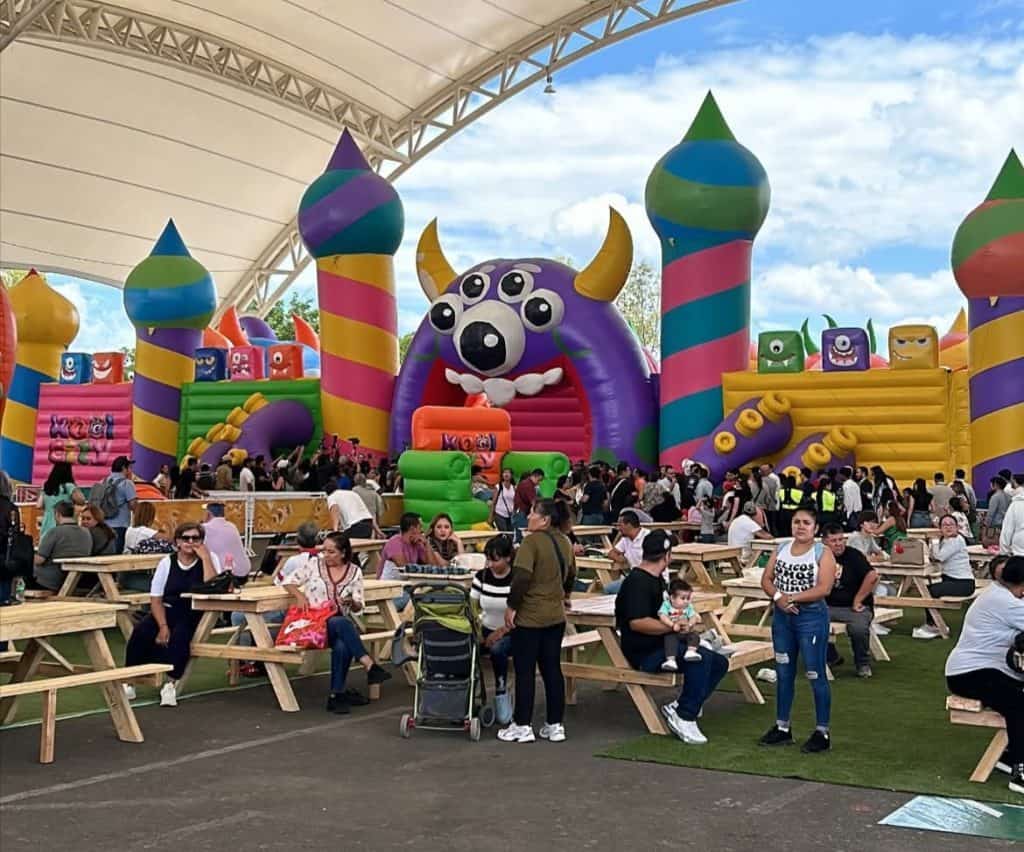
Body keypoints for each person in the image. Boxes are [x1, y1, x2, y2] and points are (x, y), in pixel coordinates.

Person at [615, 530, 730, 744]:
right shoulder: (637, 582)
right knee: (700, 660)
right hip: (645, 652)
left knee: (719, 662)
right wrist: (674, 627)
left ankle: (680, 706)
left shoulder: (657, 580)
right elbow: (637, 622)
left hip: (664, 644)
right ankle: (685, 716)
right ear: (667, 555)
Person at [282, 531, 392, 713]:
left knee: (342, 640)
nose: (326, 555)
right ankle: (369, 665)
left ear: (343, 552)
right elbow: (287, 581)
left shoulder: (355, 572)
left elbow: (359, 606)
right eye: (324, 551)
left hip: (340, 626)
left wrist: (351, 602)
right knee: (339, 624)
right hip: (314, 626)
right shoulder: (314, 565)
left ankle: (336, 695)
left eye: (331, 552)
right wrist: (299, 595)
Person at [759, 506, 837, 753]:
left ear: (815, 528)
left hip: (811, 618)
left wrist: (792, 598)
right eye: (796, 522)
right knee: (783, 673)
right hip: (783, 618)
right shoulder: (781, 549)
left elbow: (824, 588)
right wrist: (780, 598)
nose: (800, 526)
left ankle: (822, 732)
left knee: (815, 674)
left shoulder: (822, 553)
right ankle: (782, 727)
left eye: (806, 522)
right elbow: (766, 580)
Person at [498, 499, 576, 744]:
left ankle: (522, 724)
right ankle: (555, 724)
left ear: (544, 519)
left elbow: (521, 577)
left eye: (532, 512)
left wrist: (512, 606)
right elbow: (572, 574)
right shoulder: (565, 541)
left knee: (525, 671)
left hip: (531, 617)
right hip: (555, 616)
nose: (528, 515)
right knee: (552, 669)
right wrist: (565, 595)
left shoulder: (531, 543)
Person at [945, 556, 1024, 795]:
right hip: (969, 673)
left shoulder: (1001, 593)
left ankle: (1008, 757)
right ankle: (1019, 772)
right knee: (1018, 703)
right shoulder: (1004, 601)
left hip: (986, 669)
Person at [124, 522, 223, 706]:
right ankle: (130, 681)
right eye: (186, 538)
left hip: (193, 611)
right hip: (167, 608)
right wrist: (162, 626)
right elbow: (156, 598)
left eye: (196, 538)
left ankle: (170, 683)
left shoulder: (210, 558)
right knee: (141, 631)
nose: (190, 542)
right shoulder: (167, 562)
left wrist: (206, 558)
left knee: (181, 635)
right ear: (178, 541)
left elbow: (213, 586)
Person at [822, 523, 878, 678]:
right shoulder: (819, 556)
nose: (839, 544)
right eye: (834, 541)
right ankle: (830, 657)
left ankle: (862, 664)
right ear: (825, 542)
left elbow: (872, 576)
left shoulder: (854, 555)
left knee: (858, 629)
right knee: (809, 622)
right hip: (828, 606)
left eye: (841, 539)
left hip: (855, 608)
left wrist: (858, 599)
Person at [470, 535, 515, 724]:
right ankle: (469, 695)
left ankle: (501, 690)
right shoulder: (481, 576)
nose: (490, 564)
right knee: (466, 649)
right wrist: (479, 632)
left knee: (498, 650)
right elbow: (473, 606)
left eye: (495, 560)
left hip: (512, 631)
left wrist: (500, 632)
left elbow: (522, 612)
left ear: (508, 558)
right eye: (488, 559)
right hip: (486, 629)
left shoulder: (517, 579)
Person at [913, 515, 975, 640]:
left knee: (930, 591)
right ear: (940, 528)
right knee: (931, 589)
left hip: (963, 583)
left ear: (957, 527)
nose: (948, 527)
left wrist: (934, 541)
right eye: (944, 525)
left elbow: (939, 557)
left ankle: (933, 625)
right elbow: (933, 556)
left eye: (951, 524)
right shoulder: (946, 541)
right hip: (952, 579)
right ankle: (934, 623)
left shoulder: (957, 540)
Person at [32, 501, 92, 590]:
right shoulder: (86, 532)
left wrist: (27, 555)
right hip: (77, 579)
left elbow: (39, 560)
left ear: (57, 514)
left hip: (49, 581)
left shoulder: (54, 532)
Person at [658, 578, 703, 670]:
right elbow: (662, 616)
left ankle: (691, 651)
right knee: (669, 640)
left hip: (686, 631)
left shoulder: (688, 607)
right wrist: (672, 625)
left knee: (694, 635)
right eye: (682, 598)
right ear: (672, 598)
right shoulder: (667, 605)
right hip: (673, 631)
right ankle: (671, 660)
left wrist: (690, 625)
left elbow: (693, 616)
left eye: (688, 598)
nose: (686, 601)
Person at [97, 456, 138, 553]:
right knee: (117, 554)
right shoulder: (127, 483)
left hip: (104, 525)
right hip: (120, 525)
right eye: (129, 468)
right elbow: (133, 505)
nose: (130, 471)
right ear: (124, 468)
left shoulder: (103, 481)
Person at [37, 462, 85, 541]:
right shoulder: (68, 486)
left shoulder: (47, 487)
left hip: (47, 523)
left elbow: (39, 505)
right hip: (64, 522)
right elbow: (81, 500)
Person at [604, 510, 648, 595]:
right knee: (608, 589)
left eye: (620, 525)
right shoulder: (626, 539)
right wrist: (620, 559)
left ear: (629, 525)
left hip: (648, 580)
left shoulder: (648, 537)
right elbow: (611, 553)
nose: (618, 528)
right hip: (634, 578)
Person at [202, 502, 250, 577]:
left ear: (208, 514)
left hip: (224, 575)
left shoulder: (204, 528)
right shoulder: (232, 526)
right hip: (243, 571)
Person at [1000, 478, 1024, 557]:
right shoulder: (1016, 502)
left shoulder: (1016, 504)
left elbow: (1007, 530)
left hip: (1019, 553)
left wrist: (1004, 553)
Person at [490, 468, 517, 532]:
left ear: (511, 475)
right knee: (504, 533)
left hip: (510, 515)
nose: (506, 474)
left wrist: (514, 512)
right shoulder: (498, 486)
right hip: (500, 514)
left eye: (508, 473)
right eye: (504, 472)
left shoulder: (514, 487)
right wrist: (491, 516)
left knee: (511, 533)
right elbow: (494, 502)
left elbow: (515, 501)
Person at [839, 466, 862, 532]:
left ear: (843, 475)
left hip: (851, 513)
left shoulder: (846, 485)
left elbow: (848, 500)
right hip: (858, 512)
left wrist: (848, 514)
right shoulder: (855, 484)